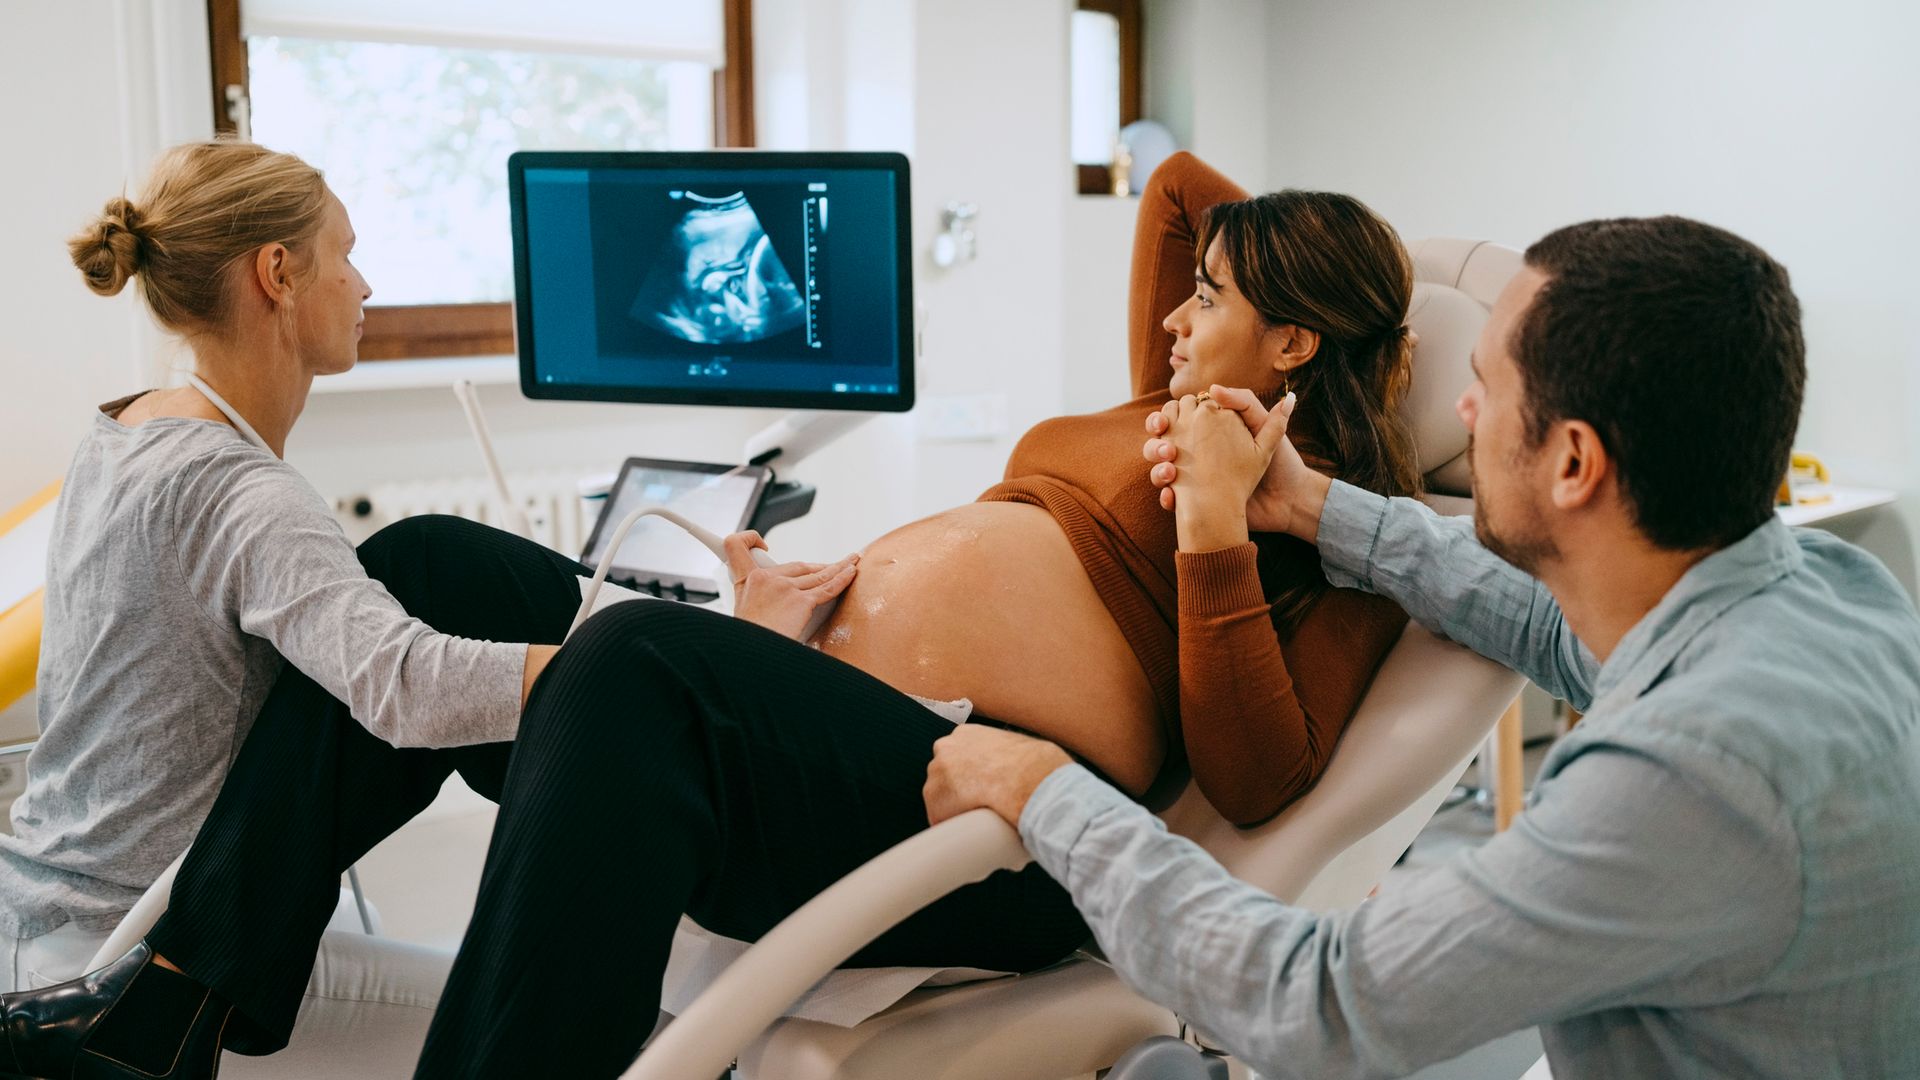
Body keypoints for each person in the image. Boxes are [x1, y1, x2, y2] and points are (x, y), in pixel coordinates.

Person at [0, 148, 1422, 1077]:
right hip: (839, 724)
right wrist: (792, 634)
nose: (1176, 313)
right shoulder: (1148, 411)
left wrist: (1241, 516)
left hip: (986, 814)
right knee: (433, 559)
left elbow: (1257, 776)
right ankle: (183, 997)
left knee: (634, 659)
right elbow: (1176, 186)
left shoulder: (1333, 523)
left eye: (1214, 298)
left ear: (1294, 341)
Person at [925, 215, 1920, 1078]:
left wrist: (1050, 793)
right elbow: (1541, 624)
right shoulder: (1834, 595)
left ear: (1574, 461)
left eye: (1486, 387)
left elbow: (1320, 1005)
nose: (1462, 410)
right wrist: (1309, 503)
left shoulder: (1690, 779)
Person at [0, 138, 856, 1078]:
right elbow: (405, 690)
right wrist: (662, 678)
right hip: (130, 945)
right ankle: (733, 778)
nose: (365, 287)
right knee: (659, 1042)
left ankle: (703, 757)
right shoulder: (240, 493)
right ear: (277, 274)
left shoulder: (124, 431)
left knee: (433, 559)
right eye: (347, 254)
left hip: (35, 918)